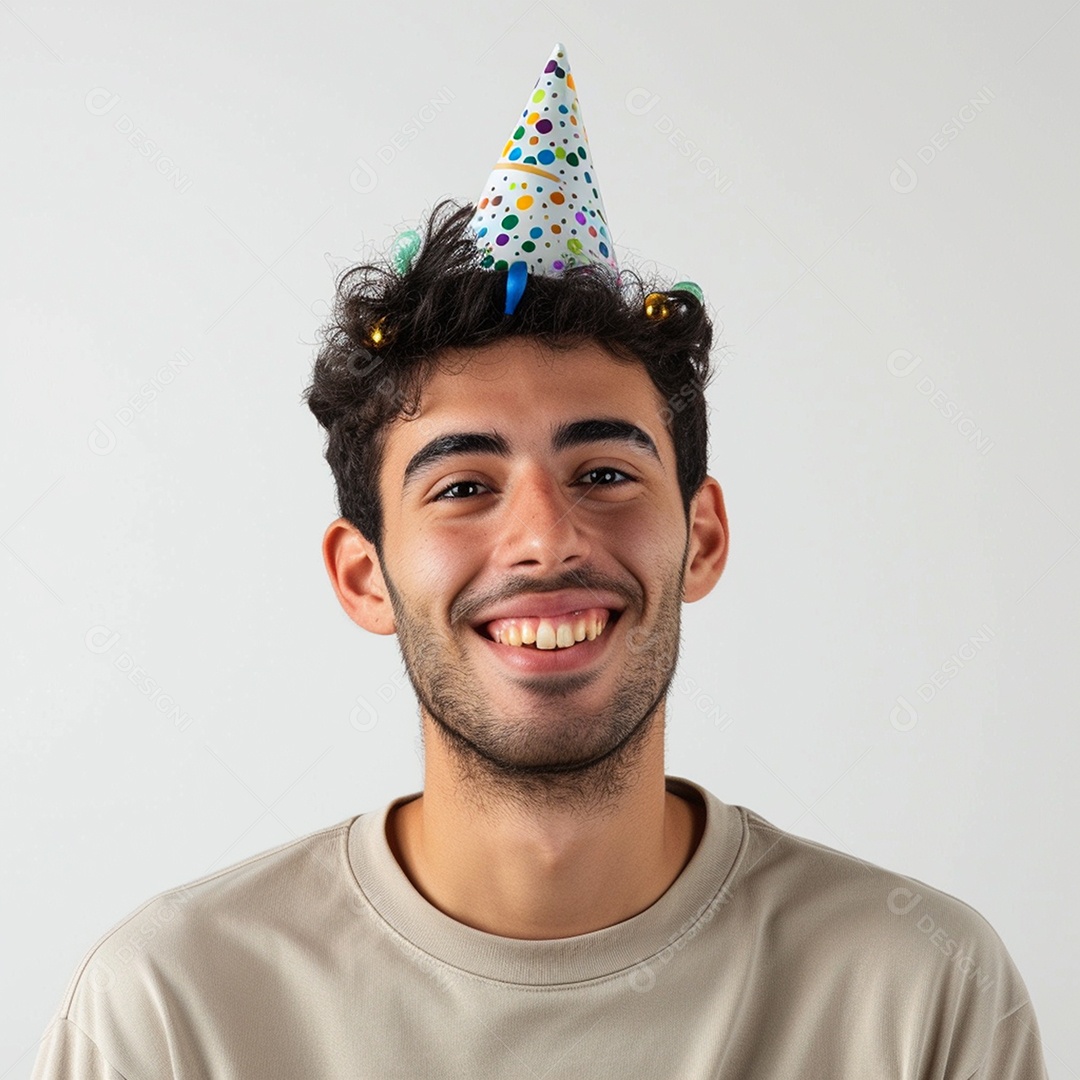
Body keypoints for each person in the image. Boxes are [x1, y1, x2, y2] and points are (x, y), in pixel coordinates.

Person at [32, 43, 1048, 1079]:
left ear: (702, 536)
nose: (547, 539)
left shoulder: (921, 990)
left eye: (604, 473)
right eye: (464, 486)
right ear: (362, 576)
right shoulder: (170, 1008)